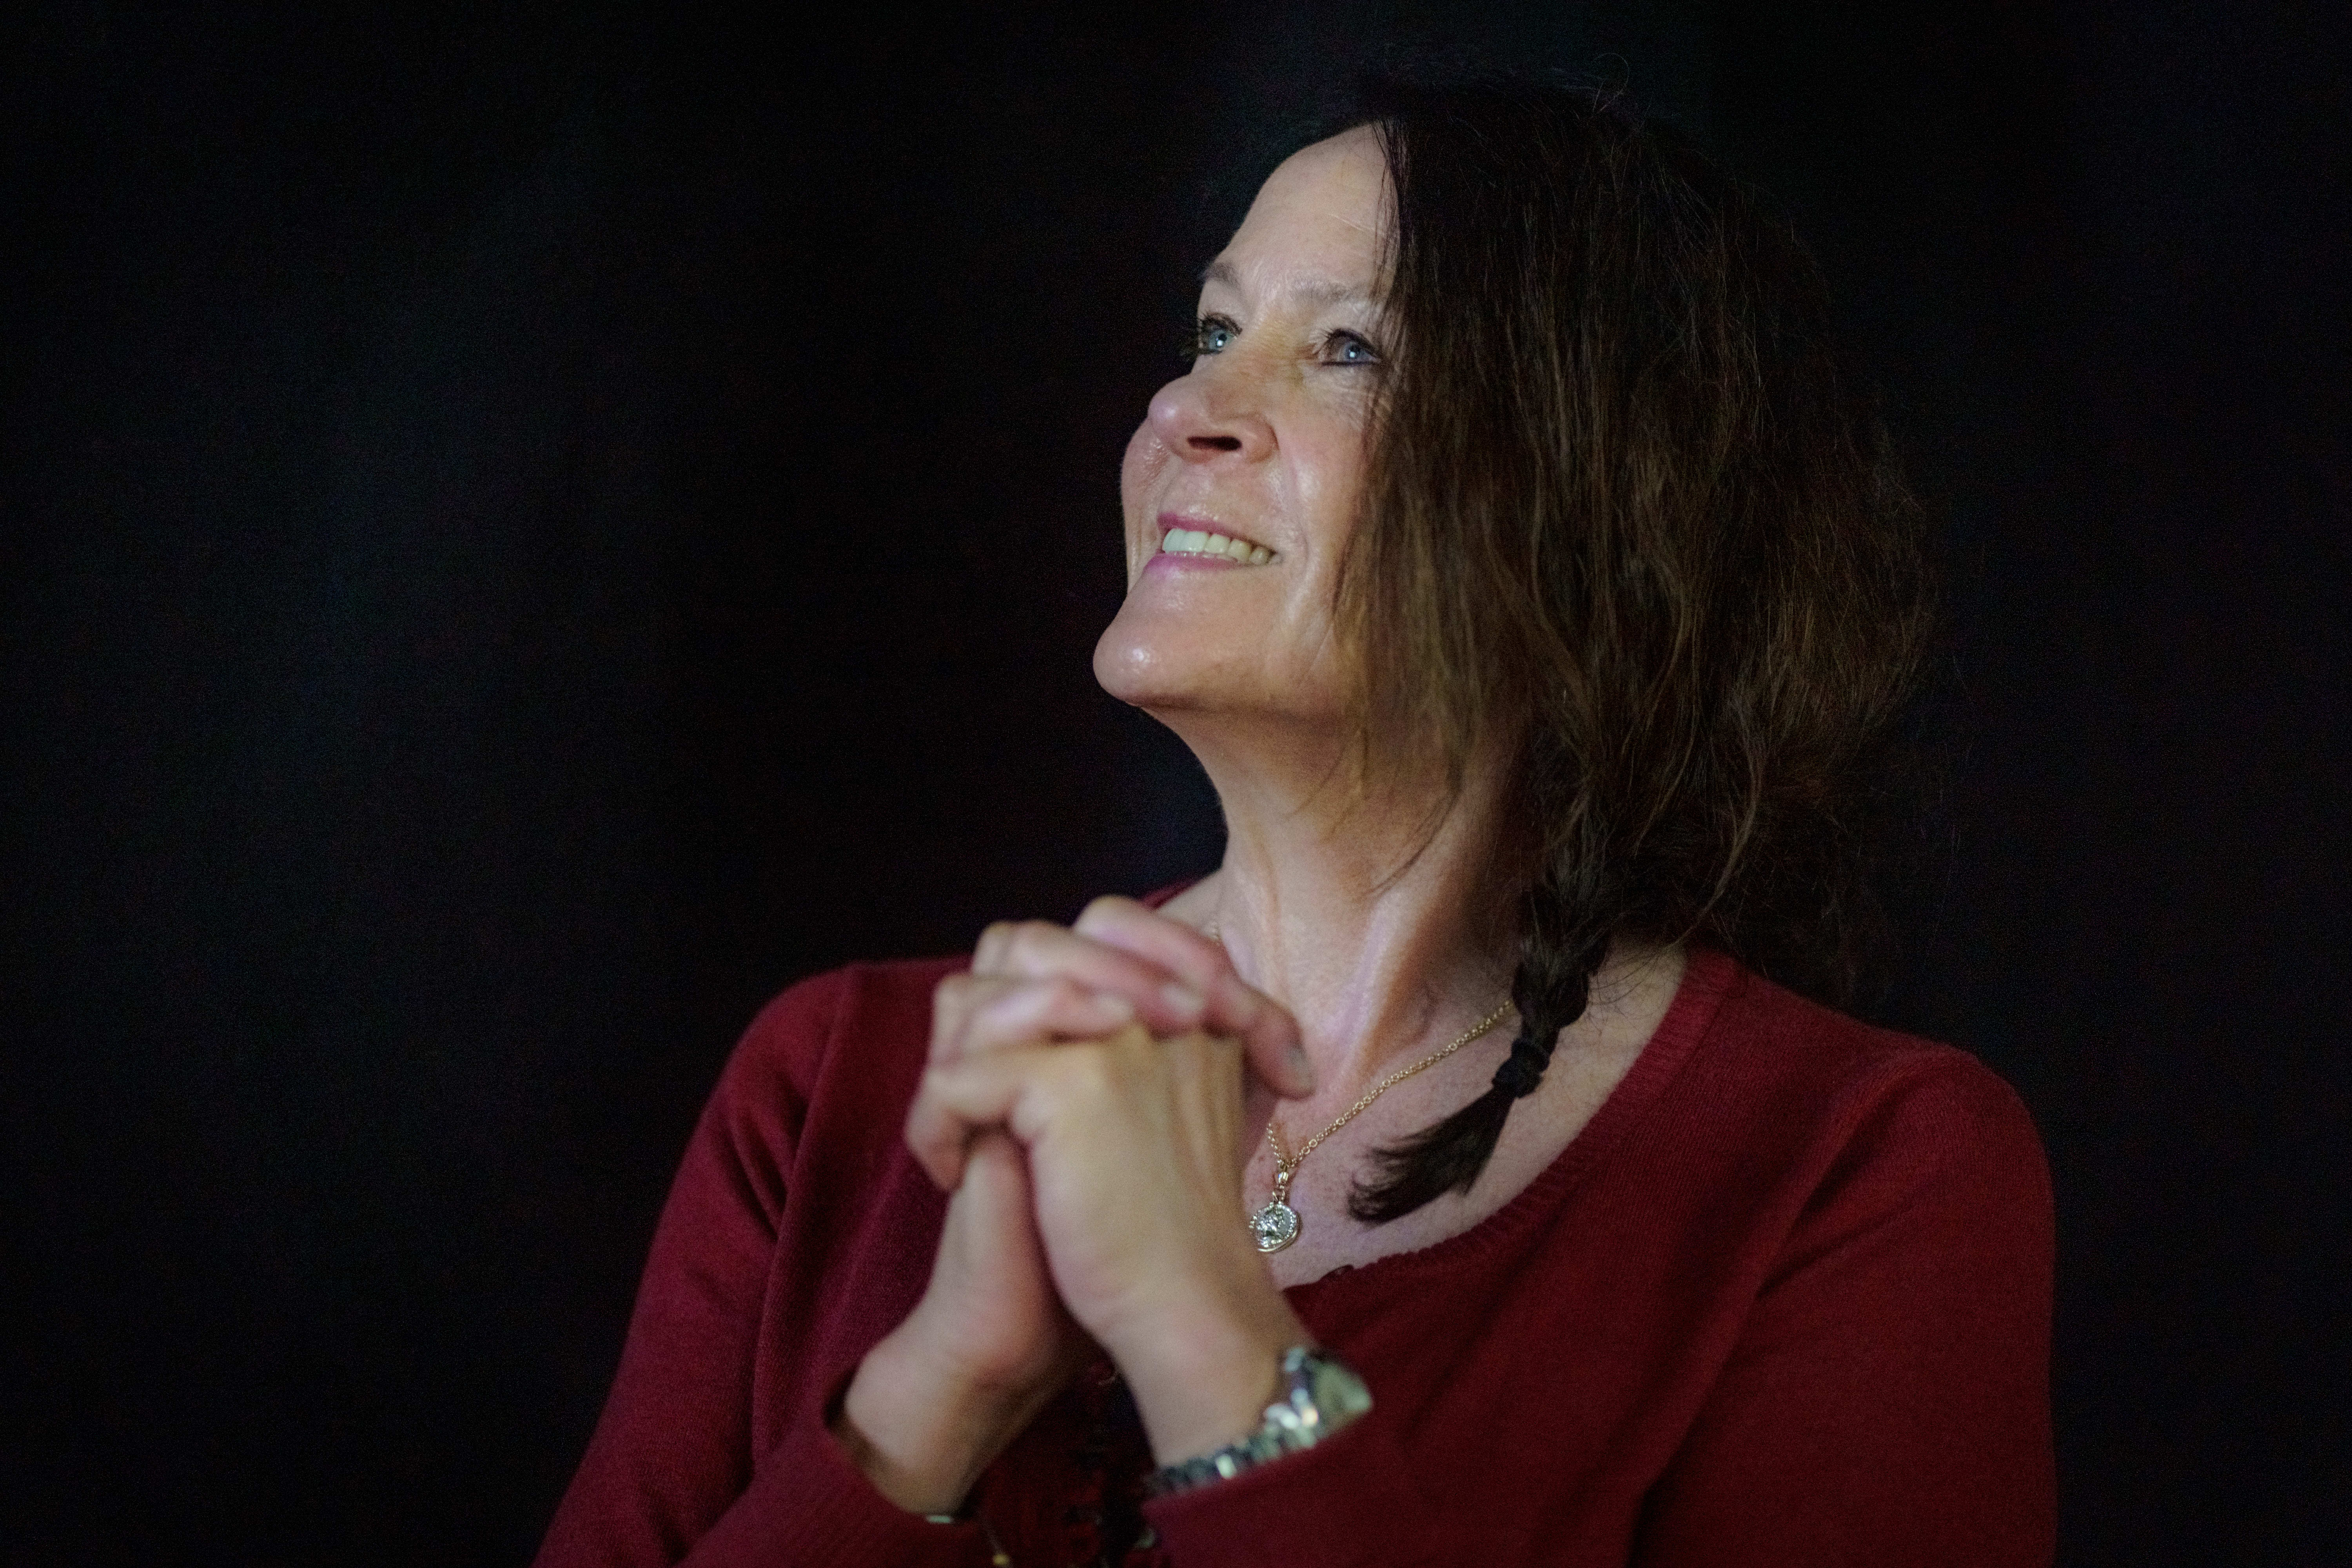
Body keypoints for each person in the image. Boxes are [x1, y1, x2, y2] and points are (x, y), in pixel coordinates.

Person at [535, 82, 2054, 1568]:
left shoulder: (1860, 1166)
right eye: (1213, 333)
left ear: (1605, 505)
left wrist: (1195, 1317)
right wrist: (943, 1386)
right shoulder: (835, 1086)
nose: (1183, 410)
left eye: (1345, 349)